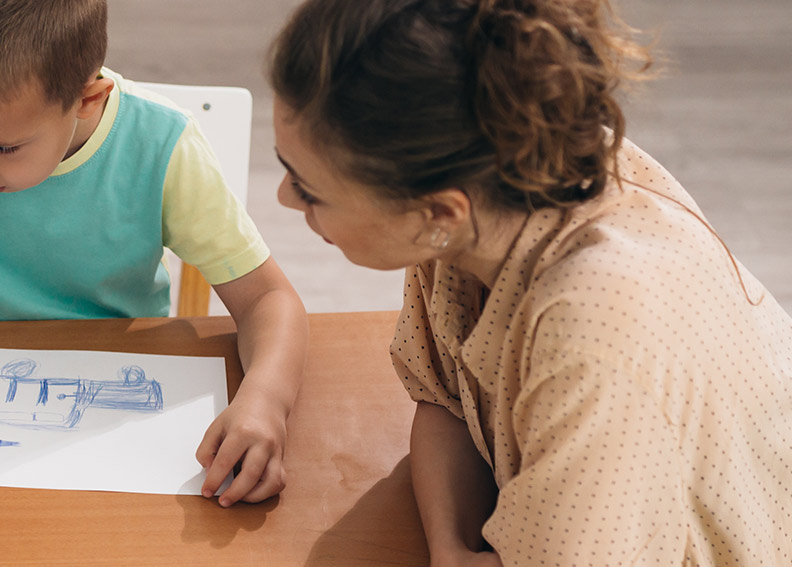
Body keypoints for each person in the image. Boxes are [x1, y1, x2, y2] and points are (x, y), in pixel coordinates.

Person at [269, 0, 792, 563]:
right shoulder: (479, 191)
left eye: (308, 189)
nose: (282, 197)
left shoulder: (596, 329)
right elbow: (445, 401)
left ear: (437, 213)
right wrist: (451, 548)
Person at [0, 0, 310, 506]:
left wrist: (266, 401)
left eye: (3, 148)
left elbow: (268, 300)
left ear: (87, 98)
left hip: (120, 436)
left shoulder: (162, 147)